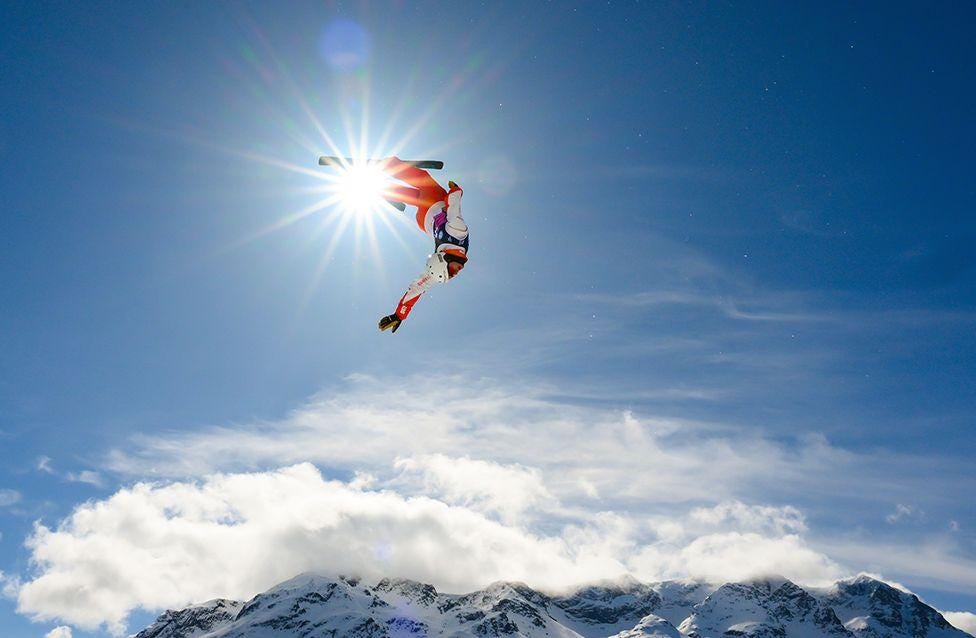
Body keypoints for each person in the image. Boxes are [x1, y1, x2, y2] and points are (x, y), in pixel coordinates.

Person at [377, 157, 468, 333]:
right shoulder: (456, 235)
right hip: (423, 220)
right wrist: (398, 315)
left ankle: (392, 165)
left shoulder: (457, 233)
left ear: (444, 259)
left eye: (452, 271)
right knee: (415, 196)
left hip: (433, 202)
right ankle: (385, 191)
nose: (456, 272)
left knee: (422, 178)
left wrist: (456, 191)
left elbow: (454, 206)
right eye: (454, 272)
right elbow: (417, 289)